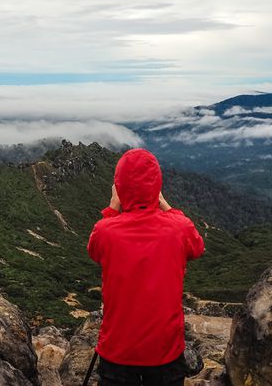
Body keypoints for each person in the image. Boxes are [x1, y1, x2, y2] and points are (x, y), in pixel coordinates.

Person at [87, 148, 205, 386]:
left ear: (119, 187)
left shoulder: (105, 231)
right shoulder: (179, 228)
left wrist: (112, 206)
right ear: (157, 185)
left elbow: (94, 250)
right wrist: (164, 205)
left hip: (117, 350)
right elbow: (197, 247)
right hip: (165, 350)